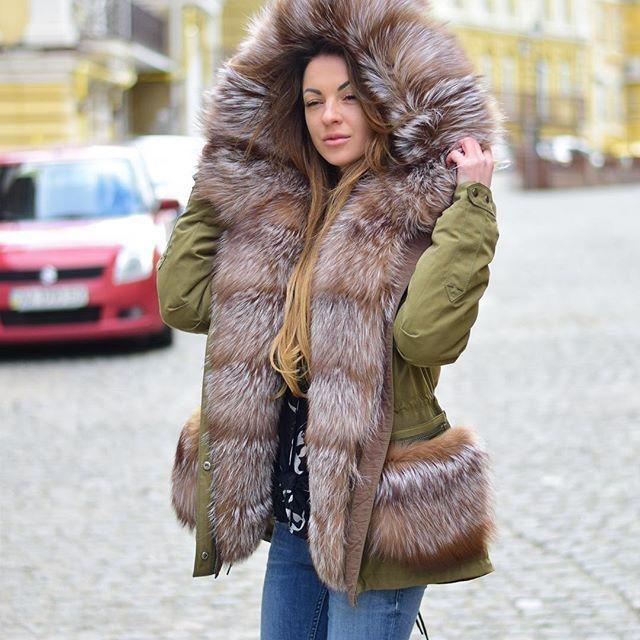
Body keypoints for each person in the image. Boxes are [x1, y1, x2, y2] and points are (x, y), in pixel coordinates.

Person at [159, 1, 503, 638]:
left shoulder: (417, 211)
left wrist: (472, 209)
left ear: (382, 102)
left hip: (375, 507)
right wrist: (218, 182)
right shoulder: (284, 210)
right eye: (313, 101)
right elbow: (184, 301)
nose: (330, 116)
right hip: (299, 506)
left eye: (348, 97)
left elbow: (426, 336)